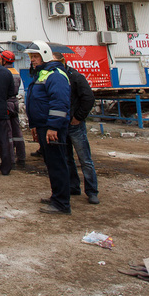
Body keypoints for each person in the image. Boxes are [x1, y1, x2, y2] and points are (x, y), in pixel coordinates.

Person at [25, 40, 72, 214]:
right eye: (31, 56)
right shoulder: (42, 74)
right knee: (51, 164)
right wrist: (35, 125)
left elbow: (59, 103)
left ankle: (62, 203)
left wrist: (53, 127)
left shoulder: (55, 75)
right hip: (43, 126)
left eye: (35, 56)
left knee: (58, 164)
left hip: (53, 128)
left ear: (45, 54)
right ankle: (57, 196)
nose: (32, 60)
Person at [53, 52, 100, 205]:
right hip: (63, 124)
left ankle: (92, 191)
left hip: (75, 125)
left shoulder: (75, 77)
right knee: (67, 158)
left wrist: (78, 117)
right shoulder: (56, 77)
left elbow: (88, 98)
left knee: (85, 159)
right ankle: (73, 186)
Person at [1, 50, 28, 166]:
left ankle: (10, 160)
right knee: (17, 131)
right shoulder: (16, 72)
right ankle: (21, 156)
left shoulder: (4, 73)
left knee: (8, 132)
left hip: (7, 103)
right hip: (15, 103)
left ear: (3, 60)